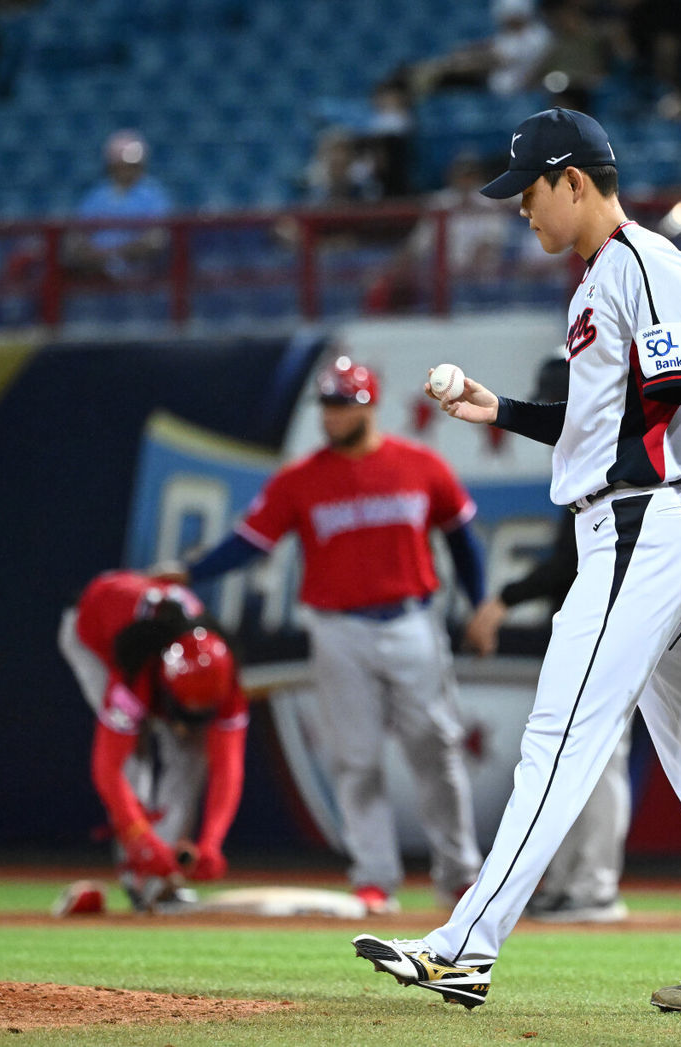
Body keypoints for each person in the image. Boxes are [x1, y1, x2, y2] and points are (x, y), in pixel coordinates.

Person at [352, 106, 681, 1015]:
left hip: (643, 529)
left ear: (574, 181)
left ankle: (464, 945)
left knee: (559, 739)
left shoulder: (644, 263)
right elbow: (607, 426)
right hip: (644, 520)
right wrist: (500, 410)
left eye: (529, 192)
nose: (522, 211)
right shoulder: (602, 277)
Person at [153, 356, 486, 915]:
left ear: (370, 404)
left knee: (437, 750)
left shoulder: (420, 465)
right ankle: (375, 877)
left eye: (343, 405)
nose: (332, 416)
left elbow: (461, 538)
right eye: (328, 405)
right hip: (337, 630)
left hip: (412, 622)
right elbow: (250, 541)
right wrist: (193, 571)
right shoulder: (299, 480)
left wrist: (478, 605)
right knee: (355, 759)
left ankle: (459, 874)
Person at [464, 354, 630, 924]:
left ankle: (593, 888)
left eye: (557, 397)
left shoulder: (609, 450)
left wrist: (504, 599)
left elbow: (565, 563)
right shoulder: (583, 456)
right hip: (598, 622)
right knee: (577, 755)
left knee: (600, 757)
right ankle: (569, 884)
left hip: (622, 616)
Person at [57, 570, 249, 913]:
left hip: (152, 630)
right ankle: (140, 874)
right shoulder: (135, 668)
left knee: (192, 754)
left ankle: (164, 879)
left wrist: (211, 842)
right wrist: (139, 837)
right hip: (91, 632)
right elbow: (108, 767)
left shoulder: (226, 675)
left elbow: (228, 768)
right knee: (135, 756)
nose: (185, 726)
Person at [364, 149, 513, 313]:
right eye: (461, 174)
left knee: (482, 265)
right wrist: (399, 264)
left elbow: (492, 242)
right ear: (452, 175)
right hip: (441, 278)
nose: (465, 180)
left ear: (478, 176)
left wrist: (468, 269)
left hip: (480, 278)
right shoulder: (439, 202)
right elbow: (418, 245)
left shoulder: (491, 201)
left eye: (470, 174)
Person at [63, 129, 173, 280]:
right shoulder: (97, 195)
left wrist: (118, 253)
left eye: (132, 165)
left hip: (141, 273)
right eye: (121, 164)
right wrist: (93, 255)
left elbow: (157, 238)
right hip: (95, 273)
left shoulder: (153, 194)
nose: (126, 170)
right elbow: (76, 235)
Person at [401, 0, 552, 99]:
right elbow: (492, 46)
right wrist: (465, 51)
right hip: (489, 81)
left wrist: (454, 64)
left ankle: (431, 71)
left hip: (506, 88)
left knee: (442, 73)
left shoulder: (536, 36)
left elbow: (495, 60)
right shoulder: (511, 35)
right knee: (440, 72)